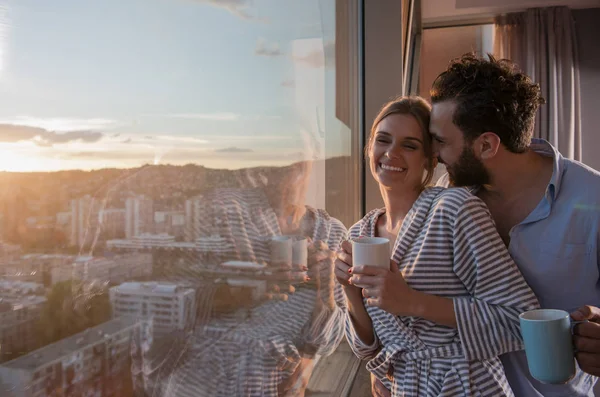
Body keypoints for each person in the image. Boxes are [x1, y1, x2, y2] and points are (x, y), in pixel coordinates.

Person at [334, 96, 540, 397]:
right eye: (383, 140)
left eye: (409, 145)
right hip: (405, 387)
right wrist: (349, 290)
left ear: (431, 159)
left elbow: (519, 320)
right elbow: (369, 350)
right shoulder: (359, 234)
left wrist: (412, 302)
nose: (391, 152)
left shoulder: (455, 210)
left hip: (469, 386)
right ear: (369, 148)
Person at [425, 52, 600, 396]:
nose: (435, 155)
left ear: (487, 145)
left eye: (442, 142)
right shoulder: (445, 200)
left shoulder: (595, 201)